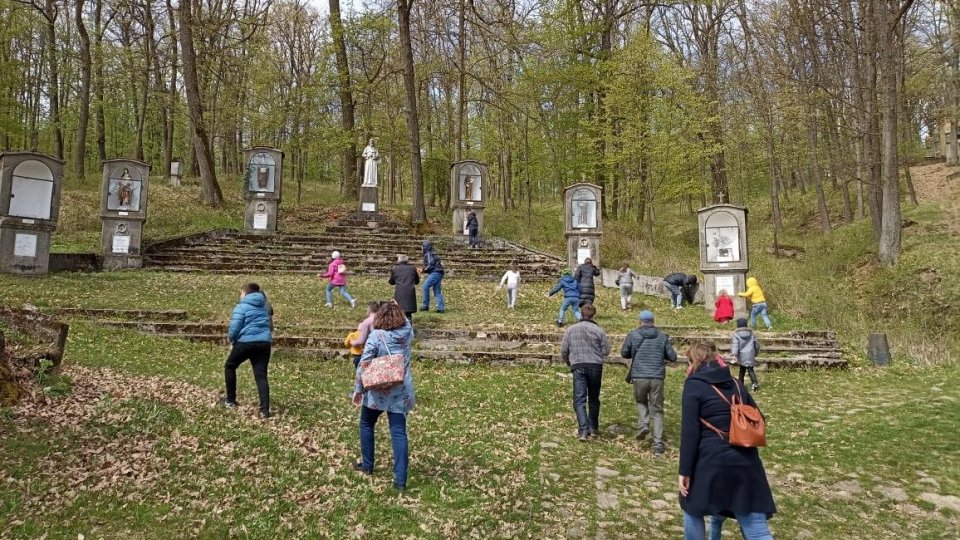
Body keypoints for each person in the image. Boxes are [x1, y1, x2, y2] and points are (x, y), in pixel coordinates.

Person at [679, 343, 776, 540]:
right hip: (746, 459)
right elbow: (759, 418)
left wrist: (685, 471)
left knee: (692, 507)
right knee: (757, 530)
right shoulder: (737, 384)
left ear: (694, 362)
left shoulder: (693, 385)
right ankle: (716, 529)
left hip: (710, 460)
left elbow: (690, 432)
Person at [352, 302, 416, 491]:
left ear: (379, 318)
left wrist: (358, 390)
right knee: (398, 432)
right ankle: (400, 481)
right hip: (401, 391)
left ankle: (367, 465)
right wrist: (397, 306)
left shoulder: (376, 336)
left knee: (366, 424)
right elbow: (406, 321)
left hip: (377, 391)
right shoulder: (407, 332)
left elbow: (364, 365)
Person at [621, 310, 678, 455]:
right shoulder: (662, 336)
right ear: (653, 321)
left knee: (641, 401)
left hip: (639, 376)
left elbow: (624, 353)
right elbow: (673, 357)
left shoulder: (633, 334)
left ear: (640, 321)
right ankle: (658, 444)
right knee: (657, 410)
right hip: (657, 377)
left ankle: (644, 425)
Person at [222, 282, 273, 419]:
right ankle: (264, 411)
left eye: (241, 292)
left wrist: (231, 339)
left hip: (246, 342)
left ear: (244, 293)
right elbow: (269, 324)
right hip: (264, 343)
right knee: (261, 376)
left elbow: (235, 327)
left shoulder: (241, 307)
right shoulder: (264, 306)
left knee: (230, 366)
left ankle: (230, 400)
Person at [560, 304, 611, 441]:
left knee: (579, 399)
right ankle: (593, 428)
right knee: (594, 398)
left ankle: (583, 430)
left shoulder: (571, 330)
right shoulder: (598, 330)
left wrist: (568, 361)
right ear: (593, 315)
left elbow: (564, 350)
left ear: (581, 314)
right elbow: (606, 350)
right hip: (595, 366)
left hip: (578, 364)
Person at [346, 301, 383, 369]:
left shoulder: (367, 322)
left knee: (359, 364)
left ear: (369, 309)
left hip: (372, 349)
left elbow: (361, 341)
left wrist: (353, 343)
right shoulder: (383, 319)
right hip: (384, 349)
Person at [731, 318, 761, 391]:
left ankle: (740, 384)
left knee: (742, 370)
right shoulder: (752, 334)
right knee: (751, 369)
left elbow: (735, 345)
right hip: (750, 354)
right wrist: (756, 352)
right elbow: (756, 344)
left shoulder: (736, 334)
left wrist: (734, 354)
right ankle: (754, 383)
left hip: (741, 355)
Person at [389, 254, 420, 320]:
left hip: (399, 293)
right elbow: (417, 281)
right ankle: (409, 325)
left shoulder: (395, 269)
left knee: (399, 311)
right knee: (408, 313)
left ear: (399, 260)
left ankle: (400, 324)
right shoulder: (412, 268)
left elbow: (391, 282)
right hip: (410, 293)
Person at [420, 241, 445, 313]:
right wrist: (424, 270)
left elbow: (431, 264)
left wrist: (423, 270)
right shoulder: (432, 253)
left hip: (435, 272)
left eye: (422, 246)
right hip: (439, 272)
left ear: (425, 247)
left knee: (425, 286)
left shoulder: (428, 254)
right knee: (437, 291)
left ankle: (425, 305)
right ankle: (440, 308)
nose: (421, 248)